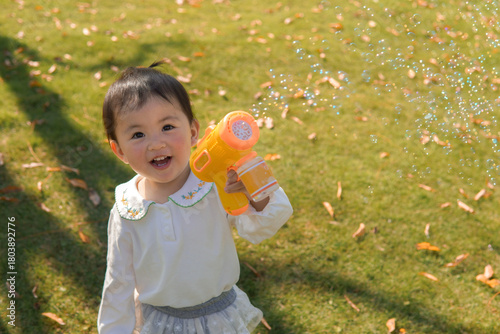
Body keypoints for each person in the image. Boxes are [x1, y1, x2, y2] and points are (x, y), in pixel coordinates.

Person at [97, 60, 293, 334]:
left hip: (219, 318)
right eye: (138, 134)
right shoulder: (127, 210)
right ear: (119, 151)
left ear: (192, 132)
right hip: (161, 323)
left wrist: (254, 193)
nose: (156, 143)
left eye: (167, 127)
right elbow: (118, 281)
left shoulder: (212, 183)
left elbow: (260, 227)